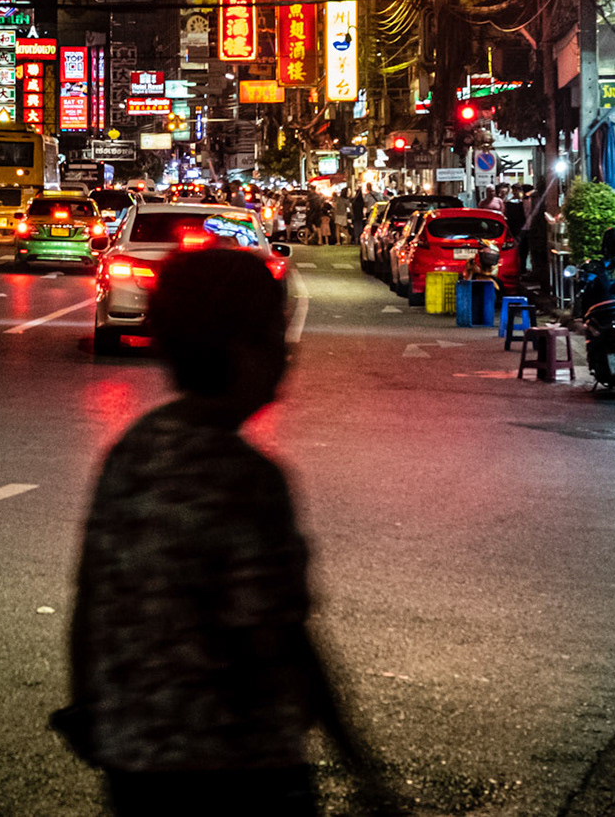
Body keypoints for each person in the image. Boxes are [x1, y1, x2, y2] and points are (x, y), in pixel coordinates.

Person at [62, 250, 398, 816]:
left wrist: (90, 706)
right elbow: (276, 636)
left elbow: (90, 597)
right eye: (275, 334)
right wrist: (359, 763)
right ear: (244, 350)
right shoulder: (245, 477)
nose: (287, 354)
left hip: (137, 764)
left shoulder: (134, 449)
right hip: (238, 770)